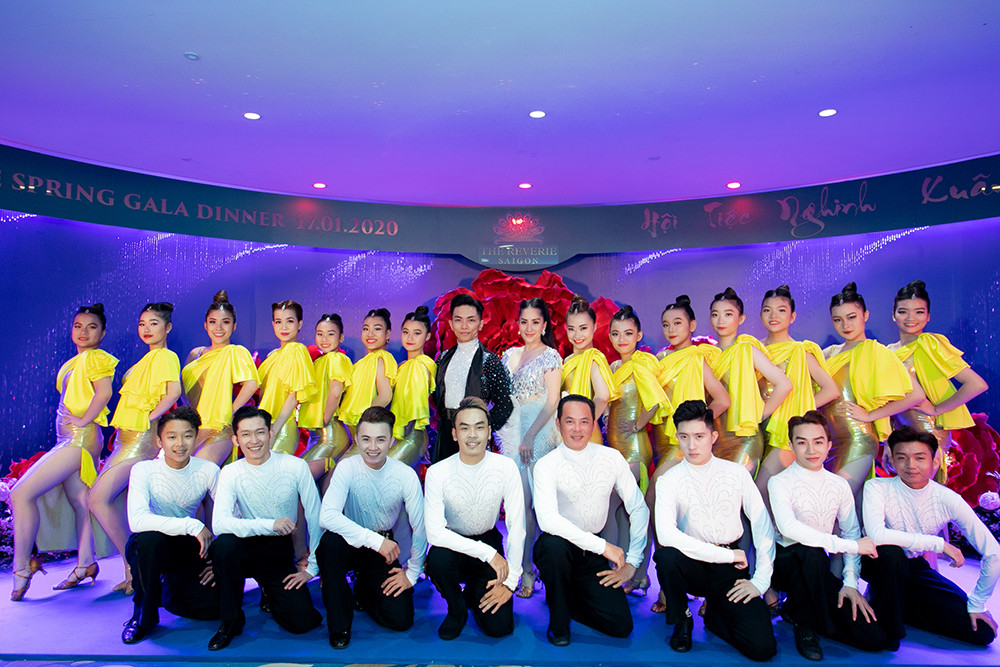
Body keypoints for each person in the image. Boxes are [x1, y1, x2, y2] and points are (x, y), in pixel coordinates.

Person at [653, 399, 777, 661]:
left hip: (729, 569)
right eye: (684, 437)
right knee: (666, 557)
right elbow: (666, 535)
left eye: (699, 436)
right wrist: (728, 555)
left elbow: (762, 524)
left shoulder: (736, 473)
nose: (691, 445)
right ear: (677, 437)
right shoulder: (669, 480)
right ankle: (682, 618)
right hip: (691, 562)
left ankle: (715, 616)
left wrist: (760, 581)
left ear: (713, 437)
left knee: (762, 648)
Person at [10, 304, 117, 601]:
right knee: (80, 501)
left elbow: (105, 393)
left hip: (78, 440)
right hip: (70, 438)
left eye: (92, 327)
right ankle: (86, 563)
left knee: (20, 494)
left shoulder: (95, 358)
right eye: (78, 326)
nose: (83, 332)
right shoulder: (76, 361)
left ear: (103, 333)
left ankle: (22, 567)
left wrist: (83, 421)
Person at [862, 426, 999, 649]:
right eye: (902, 458)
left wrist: (977, 603)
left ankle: (898, 606)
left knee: (982, 632)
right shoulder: (877, 487)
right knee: (891, 552)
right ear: (892, 461)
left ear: (935, 461)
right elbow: (877, 536)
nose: (910, 465)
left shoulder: (947, 498)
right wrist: (938, 544)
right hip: (878, 561)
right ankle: (890, 627)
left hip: (914, 567)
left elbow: (993, 552)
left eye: (919, 458)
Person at [766, 411, 885, 660]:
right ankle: (806, 626)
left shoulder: (839, 484)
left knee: (874, 639)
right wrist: (850, 546)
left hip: (817, 568)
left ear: (829, 445)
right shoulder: (779, 482)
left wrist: (850, 583)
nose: (811, 450)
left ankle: (798, 612)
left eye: (818, 442)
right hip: (785, 564)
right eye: (802, 442)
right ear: (792, 446)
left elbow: (852, 532)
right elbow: (789, 528)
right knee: (810, 552)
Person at [533, 394, 650, 646]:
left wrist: (633, 562)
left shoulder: (611, 457)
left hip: (591, 555)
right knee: (552, 546)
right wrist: (604, 546)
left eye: (584, 422)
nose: (577, 429)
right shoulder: (546, 465)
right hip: (559, 549)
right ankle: (559, 621)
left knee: (621, 626)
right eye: (570, 421)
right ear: (558, 424)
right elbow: (548, 521)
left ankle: (567, 595)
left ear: (593, 423)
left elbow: (639, 508)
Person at [208, 405, 323, 650]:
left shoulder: (295, 466)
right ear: (236, 440)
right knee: (224, 545)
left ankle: (270, 591)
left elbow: (315, 516)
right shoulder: (230, 472)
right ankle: (230, 620)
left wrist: (312, 568)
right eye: (246, 434)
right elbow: (219, 523)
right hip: (244, 545)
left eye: (260, 432)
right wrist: (270, 524)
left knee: (303, 622)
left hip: (277, 549)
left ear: (271, 433)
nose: (254, 440)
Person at [90, 302, 182, 595]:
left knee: (97, 499)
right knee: (116, 502)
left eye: (154, 323)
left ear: (167, 327)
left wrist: (150, 419)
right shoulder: (145, 360)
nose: (146, 329)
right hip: (123, 439)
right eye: (142, 323)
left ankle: (135, 565)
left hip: (140, 441)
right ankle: (133, 568)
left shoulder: (166, 356)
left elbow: (174, 392)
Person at [317, 406, 426, 649]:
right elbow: (327, 516)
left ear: (391, 441)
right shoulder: (347, 467)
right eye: (366, 439)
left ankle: (364, 589)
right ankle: (340, 626)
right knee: (329, 544)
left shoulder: (405, 474)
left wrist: (412, 573)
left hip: (382, 549)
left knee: (400, 619)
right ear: (356, 439)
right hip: (350, 542)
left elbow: (419, 526)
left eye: (380, 439)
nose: (372, 447)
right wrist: (374, 540)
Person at [424, 396, 525, 641]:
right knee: (437, 559)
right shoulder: (437, 472)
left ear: (489, 432)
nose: (472, 435)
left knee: (499, 627)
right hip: (453, 546)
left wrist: (510, 582)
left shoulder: (506, 467)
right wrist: (487, 553)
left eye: (479, 427)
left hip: (489, 543)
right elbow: (435, 533)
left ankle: (473, 592)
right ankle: (456, 608)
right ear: (454, 434)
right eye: (464, 428)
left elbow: (517, 526)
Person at [122, 406, 221, 644]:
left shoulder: (208, 469)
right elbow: (137, 520)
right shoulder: (144, 470)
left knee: (211, 609)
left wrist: (219, 557)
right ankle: (142, 617)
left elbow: (230, 515)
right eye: (172, 437)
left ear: (195, 437)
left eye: (187, 436)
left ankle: (168, 588)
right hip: (152, 544)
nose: (180, 444)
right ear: (160, 441)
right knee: (147, 540)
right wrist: (192, 525)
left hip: (189, 545)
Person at [822, 283, 925, 500]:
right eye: (838, 319)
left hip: (858, 439)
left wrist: (870, 415)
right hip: (828, 443)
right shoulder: (829, 353)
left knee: (833, 501)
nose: (845, 325)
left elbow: (915, 395)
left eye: (851, 317)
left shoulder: (878, 352)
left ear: (865, 315)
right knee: (851, 509)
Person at [888, 280, 988, 482]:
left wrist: (936, 409)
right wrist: (889, 441)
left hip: (930, 433)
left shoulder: (931, 344)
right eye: (903, 311)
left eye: (919, 312)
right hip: (900, 436)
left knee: (927, 493)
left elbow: (977, 384)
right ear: (894, 315)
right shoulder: (888, 351)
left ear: (928, 316)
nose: (911, 318)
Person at [497, 298, 562, 598]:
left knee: (541, 507)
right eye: (524, 322)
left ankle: (544, 572)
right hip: (512, 435)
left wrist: (531, 436)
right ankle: (523, 570)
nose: (529, 328)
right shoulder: (509, 355)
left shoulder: (551, 356)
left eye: (535, 322)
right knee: (517, 508)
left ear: (545, 325)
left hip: (539, 434)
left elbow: (552, 401)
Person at [757, 285, 838, 506]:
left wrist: (799, 409)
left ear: (792, 316)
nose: (773, 316)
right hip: (756, 428)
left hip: (785, 432)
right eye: (767, 310)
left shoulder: (800, 351)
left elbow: (831, 390)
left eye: (781, 310)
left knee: (762, 490)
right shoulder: (752, 349)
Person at [709, 288, 791, 475]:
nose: (721, 321)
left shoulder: (747, 350)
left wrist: (760, 415)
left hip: (745, 439)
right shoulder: (706, 355)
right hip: (715, 439)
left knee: (735, 488)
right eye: (715, 315)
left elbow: (784, 384)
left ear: (741, 318)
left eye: (728, 314)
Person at [650, 294, 729, 472]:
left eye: (677, 323)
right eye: (666, 325)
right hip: (659, 434)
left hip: (682, 439)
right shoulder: (659, 359)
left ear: (692, 326)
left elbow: (723, 400)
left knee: (659, 482)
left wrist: (696, 425)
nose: (671, 329)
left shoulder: (697, 359)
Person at [181, 290, 260, 467]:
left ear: (234, 326)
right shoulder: (196, 354)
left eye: (225, 322)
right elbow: (183, 389)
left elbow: (251, 383)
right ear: (205, 325)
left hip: (220, 428)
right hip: (193, 427)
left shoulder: (235, 352)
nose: (219, 328)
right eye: (213, 322)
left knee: (199, 472)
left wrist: (230, 411)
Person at [431, 294, 513, 463]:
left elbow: (505, 404)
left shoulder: (489, 360)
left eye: (471, 320)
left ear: (480, 324)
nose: (464, 326)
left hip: (473, 435)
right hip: (446, 432)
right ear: (451, 324)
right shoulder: (443, 358)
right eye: (458, 320)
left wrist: (483, 428)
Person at [256, 300, 318, 455]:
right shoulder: (272, 355)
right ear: (273, 324)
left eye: (289, 321)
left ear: (299, 324)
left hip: (281, 427)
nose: (283, 327)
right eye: (278, 322)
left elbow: (293, 396)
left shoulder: (297, 350)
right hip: (265, 425)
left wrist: (274, 429)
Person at [298, 313, 353, 480]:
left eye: (330, 334)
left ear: (341, 337)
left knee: (299, 477)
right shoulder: (319, 361)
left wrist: (324, 420)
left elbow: (336, 392)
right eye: (320, 334)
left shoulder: (336, 358)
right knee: (318, 487)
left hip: (329, 434)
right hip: (319, 434)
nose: (324, 339)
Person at [561, 294, 617, 445]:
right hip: (568, 432)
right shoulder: (568, 360)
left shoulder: (593, 359)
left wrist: (585, 424)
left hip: (585, 436)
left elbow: (603, 397)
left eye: (583, 328)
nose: (577, 335)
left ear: (595, 327)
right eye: (571, 329)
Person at [389, 306, 436, 466]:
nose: (410, 337)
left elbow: (415, 406)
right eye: (405, 332)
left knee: (385, 470)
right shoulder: (403, 365)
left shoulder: (421, 364)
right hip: (402, 433)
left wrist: (397, 439)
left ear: (427, 336)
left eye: (417, 333)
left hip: (409, 434)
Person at [339, 308, 397, 437]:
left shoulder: (381, 358)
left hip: (365, 426)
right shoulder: (361, 362)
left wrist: (365, 420)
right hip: (352, 425)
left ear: (387, 334)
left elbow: (385, 396)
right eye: (366, 329)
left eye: (377, 329)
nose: (370, 334)